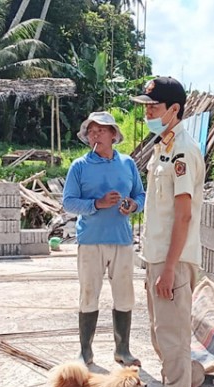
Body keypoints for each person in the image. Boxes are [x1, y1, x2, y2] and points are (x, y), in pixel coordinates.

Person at [130, 77, 205, 387]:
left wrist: (171, 267)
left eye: (153, 107)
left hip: (171, 260)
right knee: (162, 336)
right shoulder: (164, 146)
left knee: (174, 338)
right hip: (157, 257)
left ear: (174, 110)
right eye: (145, 106)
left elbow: (184, 215)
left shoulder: (183, 152)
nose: (147, 112)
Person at [62, 111, 145, 367]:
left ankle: (123, 350)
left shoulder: (127, 164)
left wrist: (131, 206)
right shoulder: (79, 167)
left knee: (124, 295)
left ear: (113, 135)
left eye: (100, 130)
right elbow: (68, 202)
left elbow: (140, 196)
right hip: (91, 241)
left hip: (121, 239)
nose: (94, 135)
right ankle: (85, 351)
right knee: (89, 293)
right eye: (91, 131)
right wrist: (96, 204)